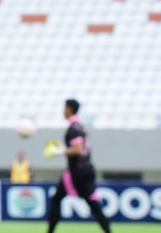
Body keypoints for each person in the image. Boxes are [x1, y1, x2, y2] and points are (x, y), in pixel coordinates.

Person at [44, 99, 111, 233]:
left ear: (69, 109)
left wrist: (60, 151)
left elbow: (78, 149)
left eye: (64, 108)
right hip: (86, 169)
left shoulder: (73, 128)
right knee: (93, 204)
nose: (63, 111)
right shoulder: (80, 126)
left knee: (57, 199)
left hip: (77, 172)